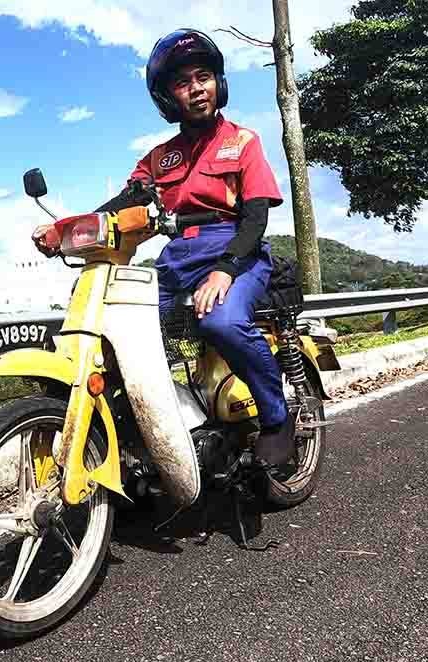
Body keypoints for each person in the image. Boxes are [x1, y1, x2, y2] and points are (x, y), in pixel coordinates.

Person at [33, 29, 296, 466]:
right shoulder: (159, 159)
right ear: (167, 97)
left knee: (221, 322)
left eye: (204, 76)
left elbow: (256, 219)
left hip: (237, 253)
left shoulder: (243, 142)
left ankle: (275, 416)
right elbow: (123, 204)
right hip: (177, 260)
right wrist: (62, 228)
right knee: (114, 330)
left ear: (219, 83)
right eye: (182, 82)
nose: (196, 89)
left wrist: (226, 270)